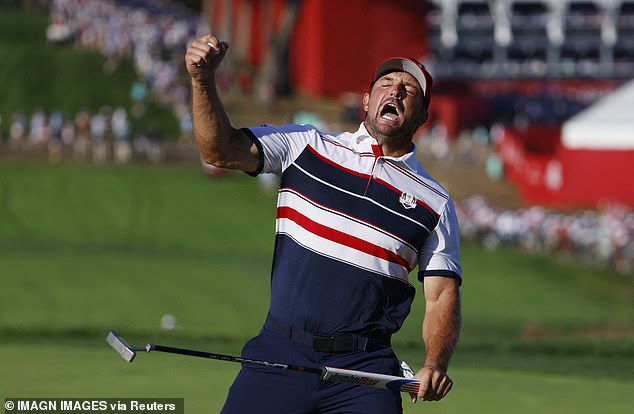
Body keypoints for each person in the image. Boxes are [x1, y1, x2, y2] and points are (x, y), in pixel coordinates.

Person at [185, 34, 462, 414]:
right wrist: (202, 80)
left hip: (364, 372)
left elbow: (442, 295)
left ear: (423, 116)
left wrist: (434, 363)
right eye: (386, 84)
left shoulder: (435, 202)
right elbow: (220, 151)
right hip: (280, 350)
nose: (396, 91)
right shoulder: (307, 146)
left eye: (409, 90)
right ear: (367, 101)